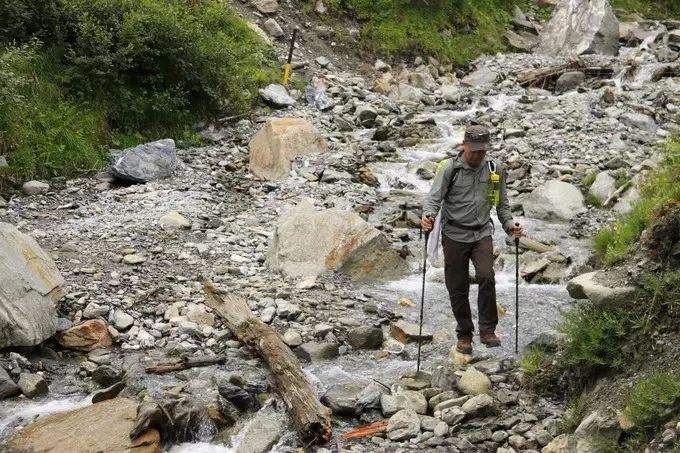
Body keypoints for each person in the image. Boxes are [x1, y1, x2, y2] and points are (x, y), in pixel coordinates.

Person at [421, 125, 522, 354]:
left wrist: (510, 226)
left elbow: (502, 205)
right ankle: (465, 333)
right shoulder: (450, 169)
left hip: (481, 233)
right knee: (457, 286)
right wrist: (428, 217)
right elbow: (433, 199)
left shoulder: (494, 169)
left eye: (482, 151)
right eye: (474, 150)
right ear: (464, 145)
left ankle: (487, 330)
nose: (478, 155)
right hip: (454, 234)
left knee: (487, 276)